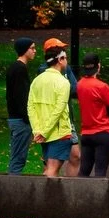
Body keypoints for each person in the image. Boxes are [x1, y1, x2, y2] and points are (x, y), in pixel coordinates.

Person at [27, 41, 77, 179]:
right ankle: (47, 199)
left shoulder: (37, 81)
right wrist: (43, 131)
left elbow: (31, 107)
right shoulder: (63, 82)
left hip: (43, 133)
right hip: (59, 133)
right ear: (59, 60)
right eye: (65, 58)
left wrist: (37, 130)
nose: (67, 60)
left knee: (48, 168)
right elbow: (59, 110)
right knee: (52, 171)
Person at [75, 53, 109, 178]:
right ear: (98, 66)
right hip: (103, 132)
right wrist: (108, 111)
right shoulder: (102, 86)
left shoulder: (79, 85)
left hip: (86, 133)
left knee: (84, 171)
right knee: (100, 172)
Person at [5, 38, 36, 175]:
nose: (35, 51)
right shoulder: (19, 69)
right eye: (32, 48)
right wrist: (28, 118)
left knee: (17, 156)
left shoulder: (16, 68)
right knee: (18, 158)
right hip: (20, 120)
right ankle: (12, 187)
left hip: (15, 118)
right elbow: (20, 97)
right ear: (25, 50)